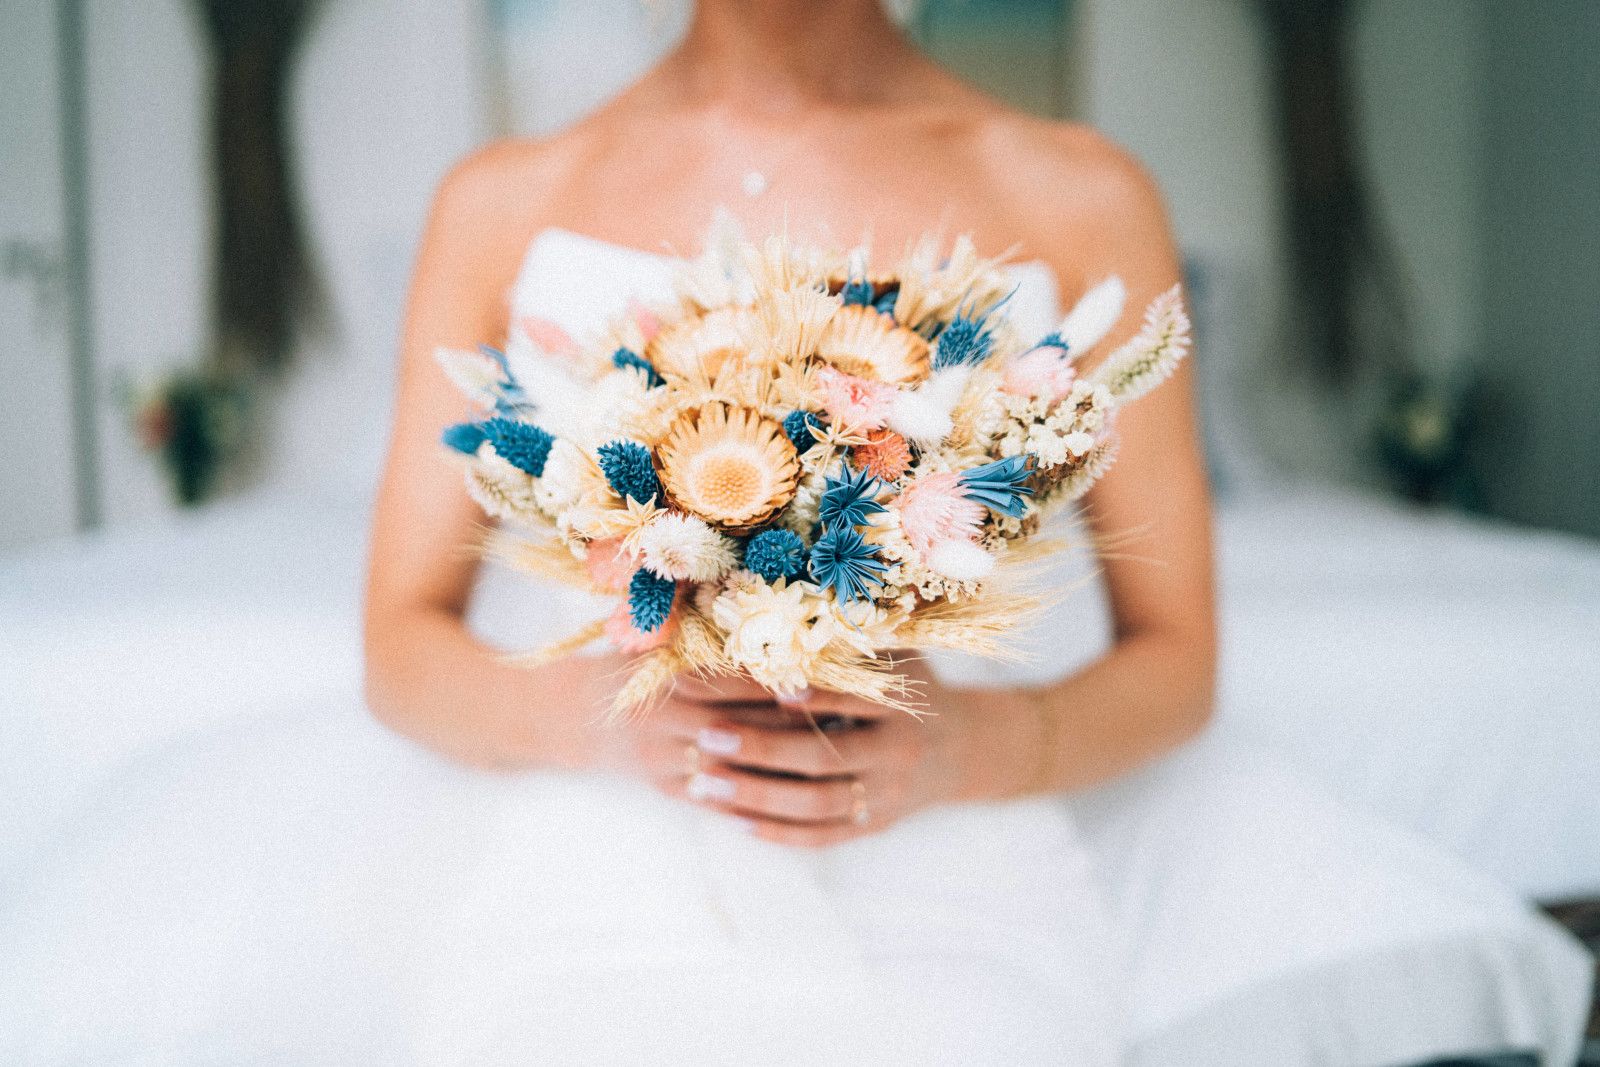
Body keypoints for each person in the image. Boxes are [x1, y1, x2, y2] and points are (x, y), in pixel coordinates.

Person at [0, 2, 1588, 1064]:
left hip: (955, 849)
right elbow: (399, 645)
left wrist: (959, 751)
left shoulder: (1076, 189)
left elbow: (1178, 661)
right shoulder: (506, 196)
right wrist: (611, 723)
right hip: (596, 848)